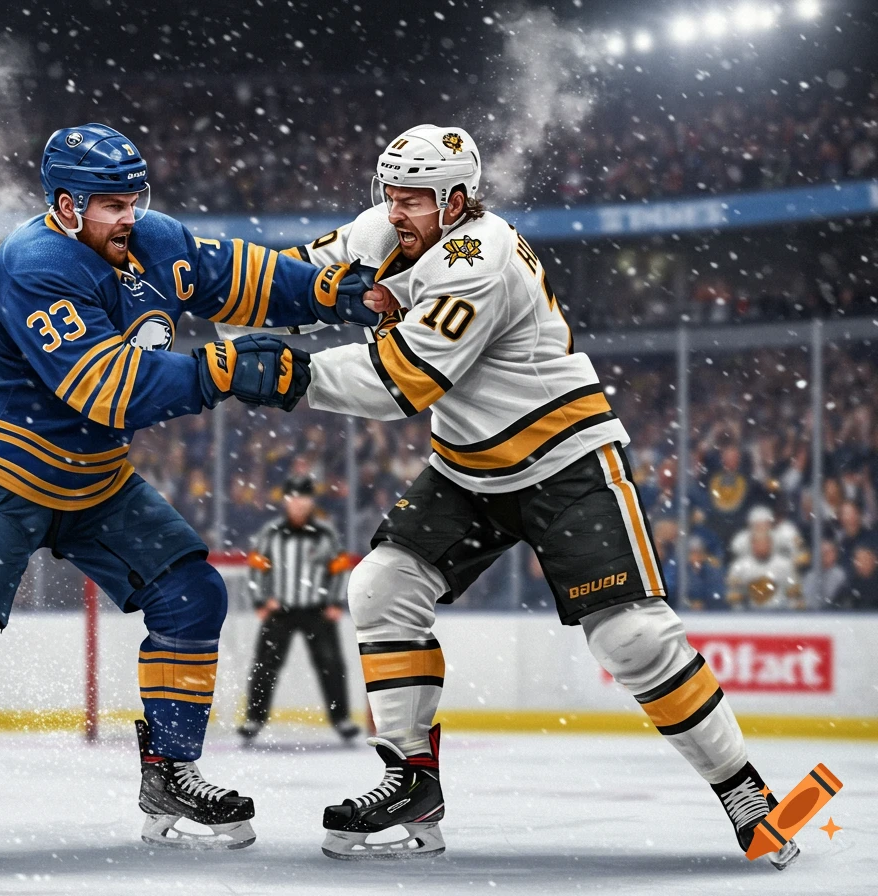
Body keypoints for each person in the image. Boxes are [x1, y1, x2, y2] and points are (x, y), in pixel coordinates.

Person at [0, 122, 381, 872]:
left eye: (133, 197)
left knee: (194, 596)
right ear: (65, 205)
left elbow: (248, 278)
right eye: (109, 203)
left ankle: (169, 777)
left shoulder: (153, 237)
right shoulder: (34, 263)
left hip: (93, 476)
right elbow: (106, 389)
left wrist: (342, 292)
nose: (127, 215)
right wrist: (224, 370)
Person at [294, 124, 799, 867]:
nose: (395, 211)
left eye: (414, 199)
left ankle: (742, 788)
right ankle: (413, 781)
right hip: (468, 467)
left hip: (564, 462)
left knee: (631, 637)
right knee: (381, 588)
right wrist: (185, 294)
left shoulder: (479, 257)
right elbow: (286, 275)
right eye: (390, 194)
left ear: (457, 200)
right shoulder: (388, 227)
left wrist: (273, 373)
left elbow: (401, 381)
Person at [238, 475, 359, 744]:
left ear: (311, 502)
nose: (299, 505)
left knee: (331, 664)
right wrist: (260, 600)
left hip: (317, 610)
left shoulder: (325, 533)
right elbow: (258, 566)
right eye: (294, 499)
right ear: (286, 502)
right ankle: (254, 718)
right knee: (264, 666)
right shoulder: (271, 532)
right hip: (280, 610)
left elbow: (338, 569)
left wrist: (336, 602)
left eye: (304, 499)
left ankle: (341, 719)